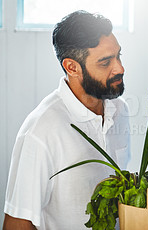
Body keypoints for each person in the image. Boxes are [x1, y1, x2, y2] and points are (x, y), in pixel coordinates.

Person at [3, 10, 130, 229]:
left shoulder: (120, 110)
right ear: (72, 67)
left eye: (118, 56)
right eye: (105, 62)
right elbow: (17, 224)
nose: (119, 68)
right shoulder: (40, 131)